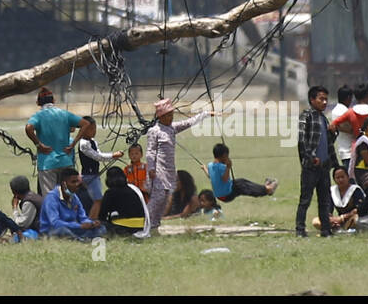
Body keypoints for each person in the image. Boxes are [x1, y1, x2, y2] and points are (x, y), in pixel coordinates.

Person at [144, 98, 213, 231]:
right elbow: (150, 152)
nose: (170, 118)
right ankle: (146, 224)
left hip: (169, 171)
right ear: (161, 116)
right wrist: (151, 168)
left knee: (164, 200)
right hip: (158, 171)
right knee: (157, 199)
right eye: (168, 115)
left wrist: (205, 114)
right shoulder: (154, 131)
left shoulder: (172, 128)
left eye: (172, 115)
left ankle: (155, 226)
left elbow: (188, 122)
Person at [25, 87, 88, 195]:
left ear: (38, 103)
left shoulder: (38, 116)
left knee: (50, 199)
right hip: (66, 161)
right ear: (54, 101)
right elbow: (85, 124)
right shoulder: (64, 114)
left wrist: (38, 144)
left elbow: (28, 128)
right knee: (68, 196)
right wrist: (73, 144)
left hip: (47, 163)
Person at [295, 85, 333, 238]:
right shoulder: (307, 115)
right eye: (321, 99)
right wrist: (310, 157)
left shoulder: (324, 118)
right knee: (305, 200)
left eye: (326, 99)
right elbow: (302, 140)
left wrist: (333, 132)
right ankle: (300, 230)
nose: (324, 102)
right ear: (312, 100)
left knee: (324, 201)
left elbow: (328, 142)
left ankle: (326, 230)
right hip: (311, 167)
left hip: (324, 166)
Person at [38, 167, 106, 240]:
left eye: (77, 181)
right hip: (52, 230)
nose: (77, 184)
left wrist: (91, 223)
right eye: (73, 182)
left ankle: (79, 239)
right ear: (64, 184)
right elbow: (55, 223)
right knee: (62, 231)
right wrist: (79, 226)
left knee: (101, 228)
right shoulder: (51, 198)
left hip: (72, 228)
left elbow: (82, 217)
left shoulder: (74, 196)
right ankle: (82, 239)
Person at [76, 117, 123, 212]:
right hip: (88, 176)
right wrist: (113, 155)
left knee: (95, 199)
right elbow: (98, 156)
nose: (94, 131)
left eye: (94, 129)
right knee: (97, 200)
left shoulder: (93, 141)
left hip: (94, 175)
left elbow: (98, 153)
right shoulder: (83, 144)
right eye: (91, 129)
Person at [204, 143, 277, 204]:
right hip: (227, 195)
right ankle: (267, 189)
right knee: (242, 185)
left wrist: (204, 168)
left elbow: (210, 176)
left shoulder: (210, 165)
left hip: (219, 196)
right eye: (227, 156)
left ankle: (264, 188)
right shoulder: (222, 167)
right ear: (224, 155)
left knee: (241, 182)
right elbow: (225, 179)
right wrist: (228, 167)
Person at [98, 166, 149, 237]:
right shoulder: (134, 189)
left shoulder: (110, 193)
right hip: (141, 227)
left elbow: (102, 215)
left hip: (122, 228)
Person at [312, 166, 364, 233]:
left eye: (342, 177)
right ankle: (337, 227)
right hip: (338, 221)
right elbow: (328, 209)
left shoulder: (355, 190)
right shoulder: (332, 191)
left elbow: (359, 209)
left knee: (356, 219)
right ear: (334, 179)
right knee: (316, 221)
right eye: (338, 178)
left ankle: (346, 229)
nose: (340, 180)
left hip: (351, 218)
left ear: (348, 177)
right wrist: (332, 219)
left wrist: (342, 218)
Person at [327, 84, 355, 168]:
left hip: (343, 149)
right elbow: (351, 130)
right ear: (348, 98)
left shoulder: (335, 110)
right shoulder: (345, 112)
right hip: (349, 151)